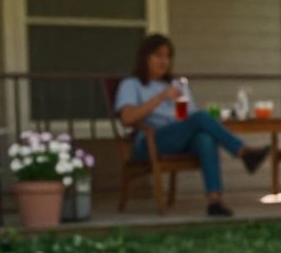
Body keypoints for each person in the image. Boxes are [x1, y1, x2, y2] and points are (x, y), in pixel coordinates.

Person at [114, 34, 268, 216]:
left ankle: (214, 201)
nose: (164, 61)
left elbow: (188, 118)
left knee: (205, 137)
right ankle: (243, 152)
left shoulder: (176, 84)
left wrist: (181, 106)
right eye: (158, 55)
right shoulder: (132, 84)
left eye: (168, 56)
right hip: (149, 142)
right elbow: (127, 118)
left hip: (178, 137)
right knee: (201, 118)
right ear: (145, 57)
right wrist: (161, 97)